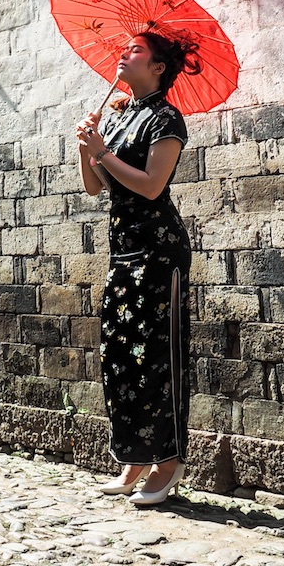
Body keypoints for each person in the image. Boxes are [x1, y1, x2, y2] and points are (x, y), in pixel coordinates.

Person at [74, 31, 200, 506]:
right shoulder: (123, 116)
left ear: (158, 67)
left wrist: (103, 151)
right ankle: (135, 457)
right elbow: (95, 187)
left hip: (158, 249)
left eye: (136, 51)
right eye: (124, 50)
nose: (124, 55)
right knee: (121, 356)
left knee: (157, 357)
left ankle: (167, 461)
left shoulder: (167, 119)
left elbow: (150, 187)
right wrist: (88, 147)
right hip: (122, 248)